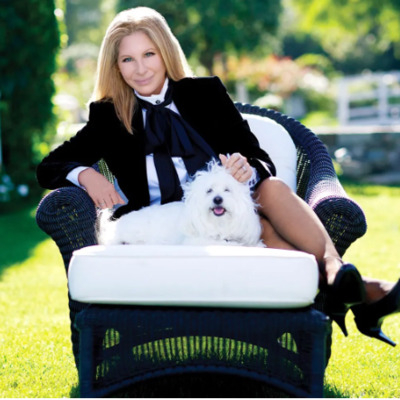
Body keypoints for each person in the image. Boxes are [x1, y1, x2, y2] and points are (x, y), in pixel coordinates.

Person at [37, 7, 399, 346]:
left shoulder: (204, 94)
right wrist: (86, 174)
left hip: (229, 211)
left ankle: (337, 272)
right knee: (267, 230)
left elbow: (258, 157)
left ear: (165, 53)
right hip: (173, 227)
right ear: (115, 67)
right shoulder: (109, 116)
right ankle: (362, 292)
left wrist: (248, 166)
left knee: (269, 187)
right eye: (127, 59)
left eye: (149, 54)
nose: (140, 68)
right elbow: (49, 166)